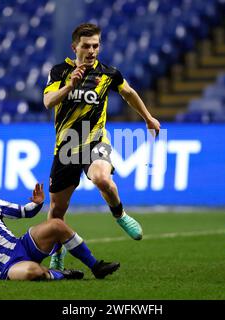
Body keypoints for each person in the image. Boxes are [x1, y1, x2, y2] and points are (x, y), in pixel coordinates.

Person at [43, 23, 161, 270]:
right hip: (66, 148)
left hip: (95, 140)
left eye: (96, 45)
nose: (92, 51)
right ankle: (57, 253)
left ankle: (120, 215)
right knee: (56, 210)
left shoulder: (109, 73)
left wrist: (148, 118)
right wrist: (69, 87)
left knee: (102, 179)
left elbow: (129, 93)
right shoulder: (59, 71)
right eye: (86, 46)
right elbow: (48, 101)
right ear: (74, 47)